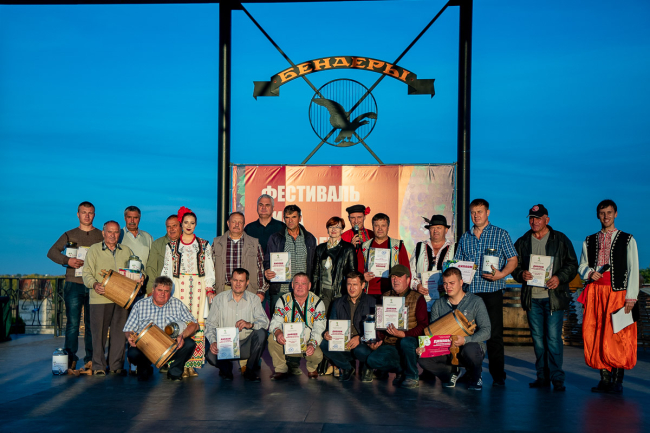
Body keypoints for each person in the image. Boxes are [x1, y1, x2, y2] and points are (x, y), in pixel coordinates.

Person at [512, 204, 578, 391]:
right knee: (538, 340)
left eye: (538, 218)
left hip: (553, 298)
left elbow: (572, 264)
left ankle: (557, 378)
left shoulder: (561, 239)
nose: (534, 222)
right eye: (531, 218)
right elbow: (513, 265)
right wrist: (521, 274)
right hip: (532, 298)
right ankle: (542, 376)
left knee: (553, 339)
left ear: (547, 220)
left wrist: (559, 278)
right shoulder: (522, 241)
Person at [577, 199, 639, 394]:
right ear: (598, 215)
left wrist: (631, 297)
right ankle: (604, 379)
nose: (606, 216)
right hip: (595, 293)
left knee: (618, 335)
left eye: (609, 213)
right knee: (596, 333)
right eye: (602, 213)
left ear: (616, 214)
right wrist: (589, 273)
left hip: (618, 292)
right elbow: (582, 265)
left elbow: (633, 268)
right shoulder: (589, 240)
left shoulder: (627, 239)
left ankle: (617, 381)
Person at [454, 198, 518, 387]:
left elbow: (513, 259)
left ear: (487, 212)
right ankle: (471, 373)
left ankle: (498, 376)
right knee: (468, 335)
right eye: (473, 212)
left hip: (492, 292)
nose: (476, 215)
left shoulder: (501, 234)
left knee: (494, 335)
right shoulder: (465, 237)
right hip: (470, 294)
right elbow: (457, 263)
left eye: (480, 212)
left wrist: (502, 274)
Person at [47, 201, 103, 370]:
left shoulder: (100, 235)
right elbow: (52, 252)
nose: (87, 215)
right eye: (84, 212)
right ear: (78, 214)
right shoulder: (69, 234)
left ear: (94, 215)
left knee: (91, 324)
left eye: (90, 212)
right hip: (73, 283)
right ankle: (70, 358)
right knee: (72, 324)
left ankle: (91, 358)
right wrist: (67, 260)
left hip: (93, 285)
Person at [82, 220, 142, 375]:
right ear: (103, 233)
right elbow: (86, 273)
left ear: (119, 234)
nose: (112, 235)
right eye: (109, 232)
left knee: (119, 334)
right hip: (99, 298)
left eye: (116, 232)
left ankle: (116, 366)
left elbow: (135, 269)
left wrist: (140, 277)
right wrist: (94, 284)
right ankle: (98, 366)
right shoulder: (94, 249)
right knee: (98, 335)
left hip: (122, 299)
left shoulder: (126, 250)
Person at [161, 207, 215, 378]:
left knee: (196, 326)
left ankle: (192, 365)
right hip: (178, 288)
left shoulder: (204, 245)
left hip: (198, 289)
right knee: (179, 325)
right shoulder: (172, 246)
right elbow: (167, 270)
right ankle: (180, 364)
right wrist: (166, 290)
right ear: (181, 224)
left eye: (192, 223)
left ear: (196, 224)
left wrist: (209, 287)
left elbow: (209, 268)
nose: (189, 225)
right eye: (186, 222)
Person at [417, 267, 491, 391]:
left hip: (470, 348)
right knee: (423, 358)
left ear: (461, 282)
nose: (448, 287)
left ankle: (475, 375)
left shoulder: (476, 302)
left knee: (470, 349)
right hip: (446, 349)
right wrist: (425, 347)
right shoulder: (438, 304)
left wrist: (466, 340)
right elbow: (433, 335)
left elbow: (487, 331)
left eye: (452, 283)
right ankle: (451, 373)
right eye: (445, 283)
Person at [356, 264, 427, 388]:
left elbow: (423, 326)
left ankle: (412, 375)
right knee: (369, 358)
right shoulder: (385, 296)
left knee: (406, 342)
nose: (395, 280)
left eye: (399, 277)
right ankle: (401, 370)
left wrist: (404, 334)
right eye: (393, 277)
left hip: (410, 344)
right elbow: (379, 324)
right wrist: (377, 340)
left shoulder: (418, 298)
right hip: (390, 344)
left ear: (408, 279)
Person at [123, 276, 198, 381]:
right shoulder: (140, 305)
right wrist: (130, 337)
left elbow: (194, 325)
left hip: (171, 347)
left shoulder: (177, 304)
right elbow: (128, 329)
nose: (162, 294)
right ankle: (144, 368)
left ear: (170, 292)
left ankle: (174, 371)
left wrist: (182, 336)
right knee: (133, 353)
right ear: (153, 290)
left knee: (189, 343)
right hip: (147, 348)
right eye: (159, 290)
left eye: (166, 291)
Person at [205, 268, 269, 382]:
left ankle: (249, 370)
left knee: (261, 333)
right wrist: (214, 341)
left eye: (241, 281)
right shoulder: (219, 299)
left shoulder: (254, 299)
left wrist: (250, 324)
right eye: (235, 280)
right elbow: (210, 324)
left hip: (247, 344)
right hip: (226, 344)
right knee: (210, 354)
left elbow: (265, 322)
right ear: (230, 281)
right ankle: (226, 368)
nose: (238, 284)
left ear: (247, 282)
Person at [267, 273, 326, 380]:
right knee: (272, 338)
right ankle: (280, 369)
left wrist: (312, 344)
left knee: (317, 355)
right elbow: (276, 321)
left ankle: (312, 368)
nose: (300, 286)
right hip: (287, 341)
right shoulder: (283, 300)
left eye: (303, 284)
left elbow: (319, 327)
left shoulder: (318, 302)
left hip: (308, 342)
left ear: (309, 286)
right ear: (292, 285)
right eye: (297, 283)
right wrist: (278, 333)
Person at [320, 271, 376, 381]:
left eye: (355, 284)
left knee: (361, 351)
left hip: (362, 344)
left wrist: (360, 338)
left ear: (363, 285)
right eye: (349, 284)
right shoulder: (337, 303)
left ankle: (367, 367)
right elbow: (332, 324)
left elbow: (376, 331)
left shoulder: (372, 302)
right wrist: (327, 333)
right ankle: (347, 367)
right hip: (343, 342)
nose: (351, 288)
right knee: (324, 343)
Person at [264, 205, 317, 310]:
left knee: (302, 319)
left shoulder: (309, 238)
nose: (290, 221)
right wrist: (267, 270)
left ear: (300, 218)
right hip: (280, 290)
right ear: (284, 219)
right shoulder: (275, 238)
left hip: (302, 290)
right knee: (278, 320)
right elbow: (267, 261)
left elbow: (314, 265)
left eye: (294, 217)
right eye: (287, 217)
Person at [212, 212, 267, 301]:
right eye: (234, 222)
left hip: (248, 290)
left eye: (240, 222)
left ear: (244, 224)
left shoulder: (254, 244)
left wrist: (261, 291)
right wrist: (212, 290)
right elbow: (211, 268)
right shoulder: (217, 243)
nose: (236, 225)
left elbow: (261, 268)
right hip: (223, 290)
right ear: (228, 223)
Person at [357, 213, 410, 299]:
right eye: (376, 225)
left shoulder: (398, 245)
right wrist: (363, 277)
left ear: (388, 227)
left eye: (383, 225)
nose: (380, 228)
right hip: (368, 293)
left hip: (392, 293)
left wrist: (406, 293)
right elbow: (358, 271)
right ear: (373, 227)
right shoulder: (364, 247)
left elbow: (406, 271)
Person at [409, 214, 455, 311]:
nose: (435, 230)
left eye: (439, 228)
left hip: (446, 302)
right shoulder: (420, 247)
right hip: (422, 300)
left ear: (446, 230)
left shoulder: (454, 248)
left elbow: (458, 274)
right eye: (432, 228)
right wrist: (417, 285)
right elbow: (411, 270)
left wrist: (448, 285)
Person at [311, 216, 357, 312]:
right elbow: (315, 273)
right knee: (322, 318)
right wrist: (313, 293)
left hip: (340, 291)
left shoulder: (348, 248)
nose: (334, 229)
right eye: (331, 227)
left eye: (337, 227)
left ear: (342, 230)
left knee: (337, 318)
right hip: (323, 291)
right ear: (327, 229)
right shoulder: (320, 248)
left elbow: (352, 273)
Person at [145, 215, 181, 295]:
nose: (171, 229)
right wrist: (150, 291)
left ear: (181, 226)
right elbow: (151, 269)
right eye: (168, 227)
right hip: (163, 291)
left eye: (174, 226)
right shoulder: (157, 244)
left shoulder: (190, 244)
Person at [118, 205, 154, 273]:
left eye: (135, 218)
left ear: (139, 219)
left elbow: (152, 261)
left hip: (143, 277)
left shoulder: (148, 237)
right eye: (129, 217)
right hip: (122, 277)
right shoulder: (118, 235)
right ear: (125, 218)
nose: (132, 221)